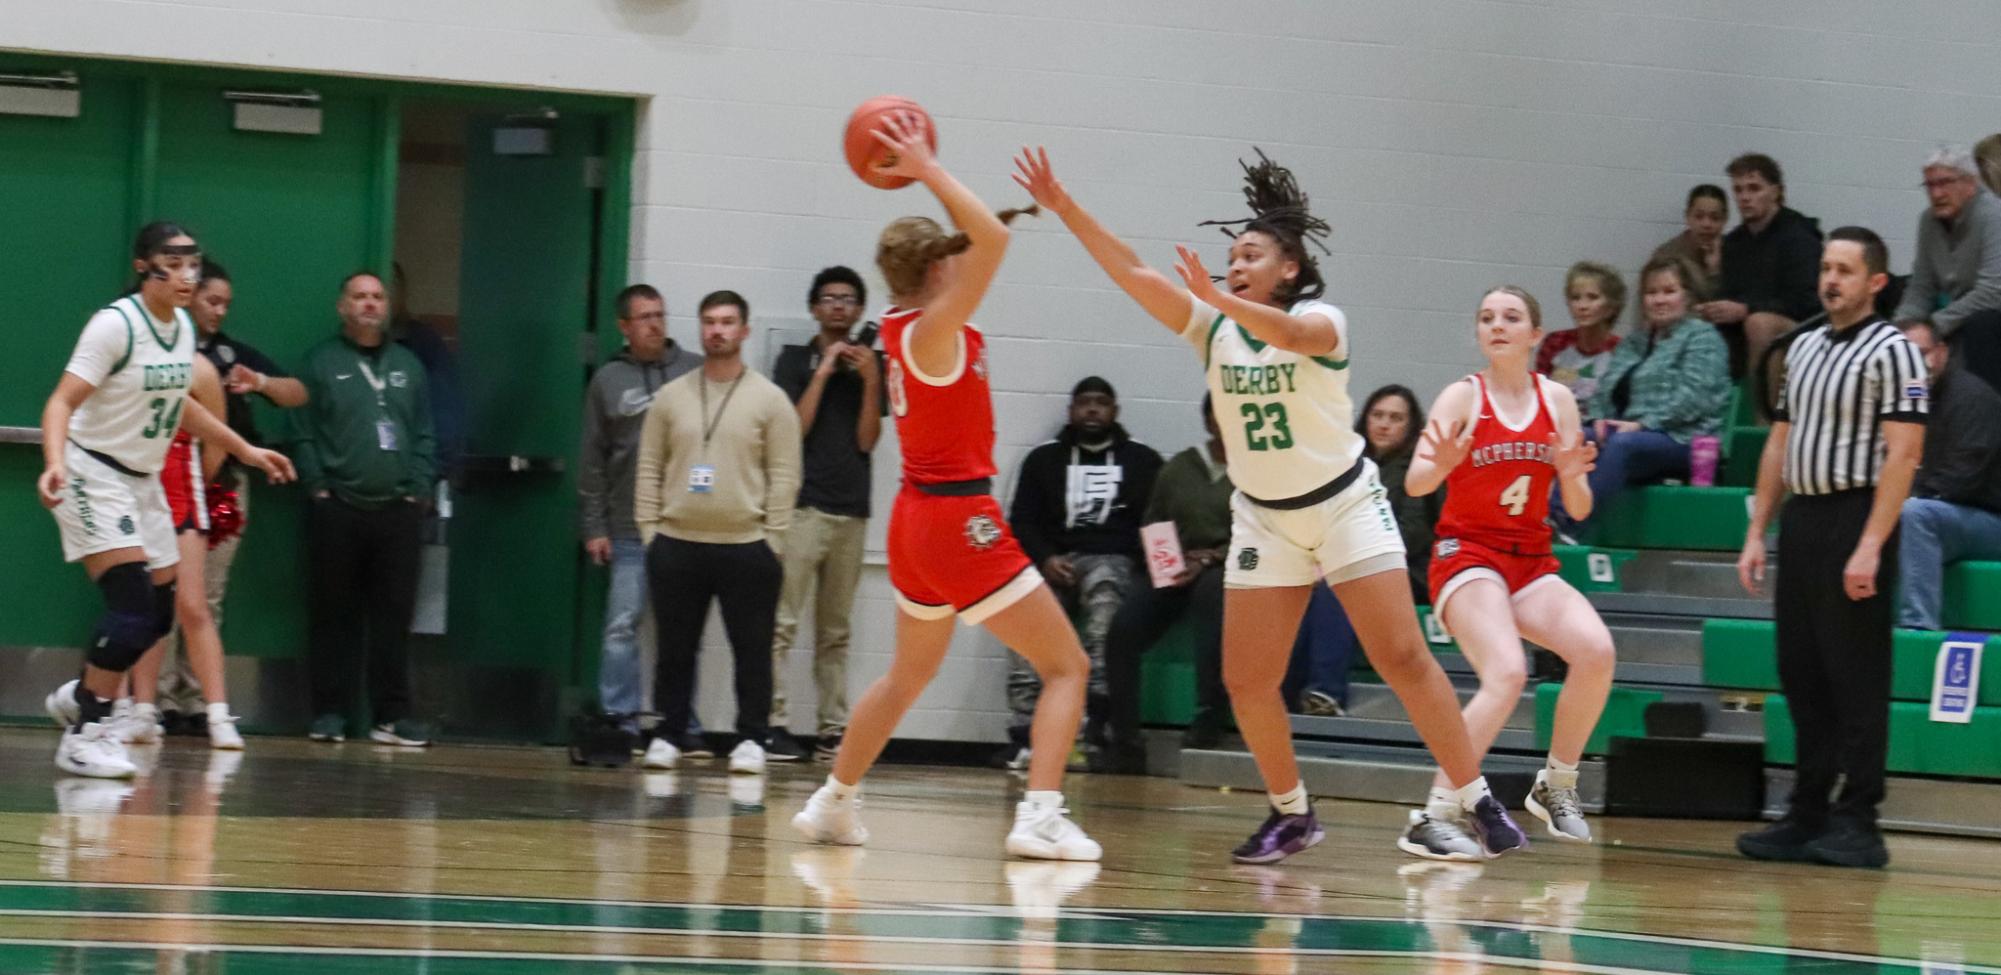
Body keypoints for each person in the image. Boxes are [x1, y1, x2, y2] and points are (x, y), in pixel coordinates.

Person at [1015, 145, 1525, 863]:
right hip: (1265, 518)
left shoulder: (1323, 320)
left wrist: (1220, 300)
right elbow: (1133, 271)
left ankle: (1472, 796)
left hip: (1344, 504)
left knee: (1402, 656)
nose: (1235, 263)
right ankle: (1291, 811)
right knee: (1244, 678)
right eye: (1231, 256)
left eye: (1250, 253)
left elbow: (1284, 332)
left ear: (1289, 267)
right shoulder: (1214, 328)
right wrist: (1065, 207)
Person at [791, 113, 1102, 861]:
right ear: (936, 271)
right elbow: (991, 242)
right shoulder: (932, 329)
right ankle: (1040, 814)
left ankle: (834, 800)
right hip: (960, 518)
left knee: (907, 671)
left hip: (913, 521)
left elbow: (978, 238)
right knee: (1067, 665)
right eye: (949, 261)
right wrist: (926, 165)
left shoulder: (898, 326)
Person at [38, 221, 294, 778]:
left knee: (157, 616)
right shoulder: (114, 326)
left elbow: (178, 403)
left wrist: (243, 449)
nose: (186, 277)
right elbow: (60, 402)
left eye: (192, 265)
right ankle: (84, 734)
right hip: (93, 473)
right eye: (172, 265)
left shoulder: (178, 329)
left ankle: (84, 694)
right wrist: (56, 462)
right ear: (142, 267)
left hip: (142, 480)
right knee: (130, 608)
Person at [1737, 227, 1928, 869]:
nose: (1830, 280)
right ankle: (1807, 810)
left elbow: (1904, 455)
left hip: (1858, 516)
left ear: (1876, 281)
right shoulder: (1805, 347)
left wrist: (1871, 545)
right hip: (1805, 518)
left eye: (1844, 270)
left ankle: (1860, 820)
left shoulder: (1895, 352)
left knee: (1857, 677)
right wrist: (1757, 530)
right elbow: (1777, 444)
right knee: (1802, 673)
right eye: (1825, 267)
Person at [1403, 286, 1615, 858]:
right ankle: (1435, 813)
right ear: (1479, 333)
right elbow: (1415, 484)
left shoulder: (1558, 401)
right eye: (1487, 318)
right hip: (1466, 555)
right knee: (1507, 672)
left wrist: (1571, 474)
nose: (1497, 325)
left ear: (1535, 335)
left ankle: (1557, 783)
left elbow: (1579, 508)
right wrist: (1440, 464)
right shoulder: (1460, 397)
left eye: (1511, 317)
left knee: (1596, 651)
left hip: (1529, 559)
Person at [634, 290, 801, 776]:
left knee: (752, 648)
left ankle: (752, 736)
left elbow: (785, 474)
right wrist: (651, 531)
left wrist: (774, 538)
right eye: (709, 322)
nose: (718, 331)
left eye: (728, 322)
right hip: (677, 541)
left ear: (744, 331)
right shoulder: (672, 396)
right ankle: (668, 732)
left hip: (747, 546)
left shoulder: (770, 400)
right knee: (674, 648)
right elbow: (649, 466)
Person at [155, 260, 309, 732]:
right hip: (164, 481)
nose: (219, 311)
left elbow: (297, 393)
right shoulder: (158, 350)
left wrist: (258, 382)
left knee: (206, 595)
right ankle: (155, 700)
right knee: (160, 591)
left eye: (226, 304)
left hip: (222, 487)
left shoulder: (232, 355)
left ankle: (200, 699)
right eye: (211, 300)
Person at [295, 271, 437, 748]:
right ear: (342, 306)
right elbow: (303, 429)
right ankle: (330, 712)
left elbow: (424, 431)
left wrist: (418, 488)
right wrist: (317, 486)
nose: (370, 304)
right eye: (360, 296)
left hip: (398, 508)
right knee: (333, 614)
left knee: (394, 617)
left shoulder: (409, 366)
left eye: (378, 297)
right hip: (338, 506)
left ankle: (391, 716)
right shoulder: (320, 362)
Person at [1003, 377, 1162, 766]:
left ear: (1115, 412)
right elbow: (1021, 521)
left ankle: (1094, 726)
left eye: (1101, 403)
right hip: (1055, 556)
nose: (1093, 410)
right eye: (1084, 403)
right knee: (1025, 616)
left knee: (1105, 599)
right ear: (1071, 411)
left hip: (1112, 557)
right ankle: (1026, 732)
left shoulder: (1143, 460)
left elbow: (1158, 521)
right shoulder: (1043, 459)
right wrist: (1045, 558)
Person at [769, 266, 886, 763]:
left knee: (835, 631)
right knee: (781, 623)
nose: (839, 307)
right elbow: (792, 429)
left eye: (848, 299)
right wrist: (822, 372)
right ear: (814, 307)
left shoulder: (873, 363)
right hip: (802, 507)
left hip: (851, 510)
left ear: (859, 309)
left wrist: (869, 379)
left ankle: (832, 729)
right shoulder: (794, 360)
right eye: (829, 299)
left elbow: (867, 441)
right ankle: (772, 723)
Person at [577, 283, 701, 740]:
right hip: (628, 526)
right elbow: (592, 458)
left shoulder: (693, 372)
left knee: (683, 632)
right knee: (621, 626)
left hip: (687, 526)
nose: (655, 325)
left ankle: (680, 721)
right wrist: (593, 526)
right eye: (645, 317)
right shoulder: (608, 380)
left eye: (660, 315)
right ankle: (620, 718)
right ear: (624, 326)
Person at [1100, 396, 1232, 772]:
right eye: (1218, 415)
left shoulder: (1260, 472)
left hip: (1229, 566)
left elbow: (1262, 534)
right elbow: (1155, 522)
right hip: (1176, 564)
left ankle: (1210, 714)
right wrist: (1170, 564)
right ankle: (1124, 736)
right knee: (1124, 627)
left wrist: (1210, 558)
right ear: (1207, 421)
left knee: (1212, 594)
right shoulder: (1179, 468)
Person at [1556, 255, 1731, 537]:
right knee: (1574, 438)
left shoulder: (1704, 338)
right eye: (1652, 293)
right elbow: (1605, 390)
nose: (1659, 300)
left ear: (1687, 296)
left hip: (1686, 440)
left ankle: (1570, 523)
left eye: (1668, 291)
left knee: (1624, 445)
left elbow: (1695, 397)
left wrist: (1644, 424)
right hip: (1633, 433)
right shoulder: (1635, 342)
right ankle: (1543, 519)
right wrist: (1600, 420)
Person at [122, 351, 246, 750]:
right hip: (132, 487)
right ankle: (142, 710)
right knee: (144, 604)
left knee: (193, 604)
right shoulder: (125, 356)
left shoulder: (200, 368)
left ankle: (218, 713)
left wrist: (196, 484)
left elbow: (215, 443)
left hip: (180, 490)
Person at [1894, 320, 2001, 631]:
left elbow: (1962, 478)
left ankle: (1918, 626)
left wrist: (1904, 496)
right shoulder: (1906, 399)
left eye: (1921, 353)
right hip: (1946, 512)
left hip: (1988, 518)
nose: (1913, 364)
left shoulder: (1974, 398)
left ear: (1941, 352)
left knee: (1916, 513)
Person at [1699, 154, 1823, 382]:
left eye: (1754, 188)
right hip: (1744, 329)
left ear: (1776, 192)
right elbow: (1731, 295)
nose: (1745, 197)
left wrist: (1746, 309)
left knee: (1759, 324)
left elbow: (1807, 302)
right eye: (1738, 190)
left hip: (1803, 330)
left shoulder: (1800, 236)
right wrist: (1714, 309)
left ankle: (1763, 417)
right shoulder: (1733, 242)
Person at [1891, 145, 2001, 394]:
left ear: (1970, 183)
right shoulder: (1928, 221)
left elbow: (1994, 291)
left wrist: (1932, 327)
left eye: (1944, 183)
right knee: (1905, 346)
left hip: (1987, 322)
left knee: (1978, 327)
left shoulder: (1994, 215)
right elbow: (1921, 286)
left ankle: (1987, 413)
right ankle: (1912, 413)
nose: (1936, 193)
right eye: (1929, 185)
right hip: (1953, 320)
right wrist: (1901, 328)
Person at [389, 262, 465, 483]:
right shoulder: (338, 355)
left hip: (412, 477)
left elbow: (444, 414)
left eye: (392, 285)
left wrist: (429, 476)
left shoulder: (423, 342)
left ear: (402, 292)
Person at [1536, 263, 1625, 409]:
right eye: (1575, 298)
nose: (1582, 306)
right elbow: (1540, 392)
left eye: (1593, 297)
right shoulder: (1555, 342)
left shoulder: (1621, 350)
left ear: (1611, 307)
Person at [1650, 184, 1730, 297]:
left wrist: (1714, 272)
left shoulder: (1736, 253)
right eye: (1699, 216)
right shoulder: (1668, 255)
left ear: (1725, 220)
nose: (1706, 224)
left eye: (1715, 218)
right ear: (1687, 216)